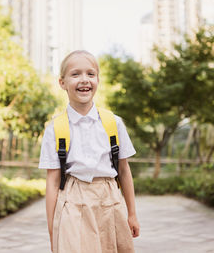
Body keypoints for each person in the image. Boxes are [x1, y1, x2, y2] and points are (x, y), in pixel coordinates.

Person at [39, 50, 140, 253]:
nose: (84, 80)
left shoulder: (113, 122)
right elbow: (52, 181)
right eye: (75, 74)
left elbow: (124, 170)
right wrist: (53, 230)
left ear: (97, 80)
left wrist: (132, 214)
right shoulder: (55, 129)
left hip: (110, 200)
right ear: (62, 83)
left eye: (90, 74)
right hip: (73, 201)